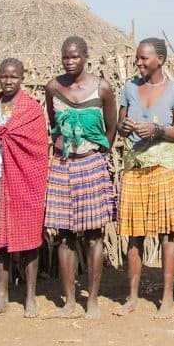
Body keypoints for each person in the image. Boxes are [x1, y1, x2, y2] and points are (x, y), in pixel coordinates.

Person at [44, 36, 118, 320]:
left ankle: (94, 300)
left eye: (75, 56)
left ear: (86, 56)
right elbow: (54, 125)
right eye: (65, 57)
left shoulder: (102, 88)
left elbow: (110, 128)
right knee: (63, 237)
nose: (69, 61)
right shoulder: (53, 87)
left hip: (91, 164)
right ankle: (70, 301)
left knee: (93, 236)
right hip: (62, 165)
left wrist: (100, 153)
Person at [114, 38, 174, 319]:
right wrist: (126, 126)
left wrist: (156, 129)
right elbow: (120, 126)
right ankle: (132, 297)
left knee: (168, 233)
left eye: (144, 58)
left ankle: (167, 298)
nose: (139, 62)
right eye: (137, 58)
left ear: (160, 59)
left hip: (164, 165)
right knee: (134, 235)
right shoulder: (129, 88)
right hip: (135, 165)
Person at [0, 58, 50, 318]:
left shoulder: (31, 110)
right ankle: (2, 298)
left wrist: (7, 139)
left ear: (22, 77)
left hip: (25, 181)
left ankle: (30, 297)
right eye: (3, 76)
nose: (8, 81)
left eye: (13, 76)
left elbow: (38, 148)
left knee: (28, 239)